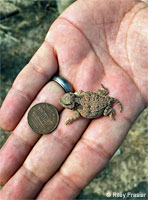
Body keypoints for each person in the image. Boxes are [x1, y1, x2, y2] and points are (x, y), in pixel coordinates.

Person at [0, 0, 148, 199]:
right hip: (101, 97)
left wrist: (74, 118)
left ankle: (111, 110)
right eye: (66, 100)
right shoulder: (78, 97)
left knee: (106, 109)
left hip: (103, 104)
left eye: (66, 101)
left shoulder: (78, 106)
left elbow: (76, 116)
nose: (64, 102)